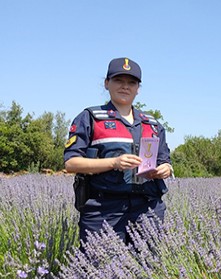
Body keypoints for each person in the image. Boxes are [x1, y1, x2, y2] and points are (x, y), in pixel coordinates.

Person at [64, 57, 173, 244]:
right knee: (99, 268)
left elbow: (165, 162)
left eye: (132, 82)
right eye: (118, 80)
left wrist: (165, 169)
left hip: (147, 207)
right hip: (104, 209)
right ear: (107, 84)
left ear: (138, 88)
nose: (125, 87)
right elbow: (71, 163)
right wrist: (113, 163)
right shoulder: (90, 118)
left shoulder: (153, 125)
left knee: (147, 268)